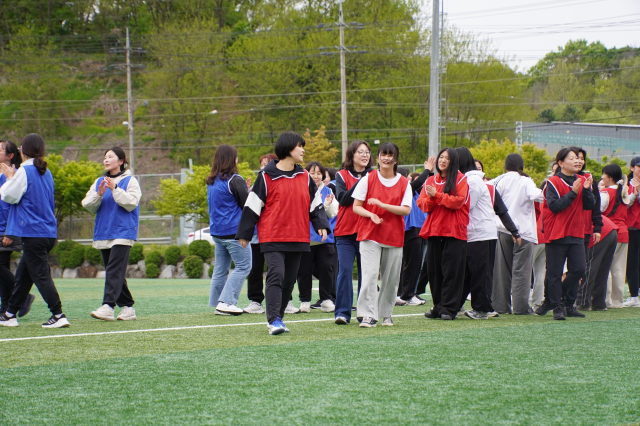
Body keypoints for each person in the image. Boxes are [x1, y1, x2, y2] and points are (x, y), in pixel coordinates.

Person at [236, 132, 330, 335]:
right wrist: (244, 232)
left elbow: (315, 204)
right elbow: (252, 206)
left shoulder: (305, 177)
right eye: (299, 146)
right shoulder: (265, 177)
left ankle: (278, 318)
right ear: (288, 148)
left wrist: (321, 224)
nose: (303, 150)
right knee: (276, 275)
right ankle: (274, 320)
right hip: (272, 237)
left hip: (298, 236)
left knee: (289, 281)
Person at [0, 133, 70, 328]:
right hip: (47, 233)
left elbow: (8, 196)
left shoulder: (24, 170)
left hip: (33, 233)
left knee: (41, 276)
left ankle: (58, 314)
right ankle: (9, 314)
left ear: (23, 150)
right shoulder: (46, 172)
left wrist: (9, 178)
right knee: (23, 276)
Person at [352, 142, 412, 327]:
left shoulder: (404, 182)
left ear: (396, 159)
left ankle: (386, 314)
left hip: (394, 236)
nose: (386, 158)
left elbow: (406, 209)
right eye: (383, 154)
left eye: (390, 155)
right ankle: (367, 315)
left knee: (390, 279)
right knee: (370, 276)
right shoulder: (367, 179)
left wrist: (382, 205)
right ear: (377, 158)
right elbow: (356, 206)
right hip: (370, 234)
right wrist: (371, 214)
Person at [457, 148, 520, 319]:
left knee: (480, 273)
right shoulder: (467, 180)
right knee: (468, 273)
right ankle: (456, 305)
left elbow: (467, 206)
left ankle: (483, 308)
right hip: (473, 234)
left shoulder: (474, 182)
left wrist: (514, 231)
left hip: (481, 234)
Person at [536, 147, 595, 320]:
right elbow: (554, 206)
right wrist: (573, 193)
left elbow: (589, 205)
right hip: (557, 233)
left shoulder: (582, 180)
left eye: (579, 158)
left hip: (576, 232)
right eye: (572, 158)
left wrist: (586, 190)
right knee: (554, 272)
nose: (578, 161)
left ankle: (558, 300)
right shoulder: (552, 182)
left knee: (579, 269)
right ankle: (557, 307)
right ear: (561, 163)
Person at [83, 147, 141, 321]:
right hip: (104, 231)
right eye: (105, 157)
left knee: (114, 270)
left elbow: (132, 203)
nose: (106, 160)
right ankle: (128, 307)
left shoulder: (130, 181)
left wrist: (115, 188)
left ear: (121, 161)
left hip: (123, 232)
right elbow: (88, 205)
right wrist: (99, 194)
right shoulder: (99, 182)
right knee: (115, 271)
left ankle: (108, 306)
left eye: (110, 157)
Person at [418, 147, 470, 320]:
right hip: (434, 231)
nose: (442, 160)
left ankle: (449, 308)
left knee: (452, 271)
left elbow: (459, 202)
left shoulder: (461, 179)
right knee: (434, 271)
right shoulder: (431, 180)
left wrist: (437, 196)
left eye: (447, 158)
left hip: (454, 231)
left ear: (453, 161)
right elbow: (422, 204)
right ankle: (438, 306)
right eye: (441, 157)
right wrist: (434, 197)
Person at [489, 153, 544, 315]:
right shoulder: (525, 180)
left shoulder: (498, 180)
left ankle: (501, 306)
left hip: (502, 229)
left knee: (501, 271)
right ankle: (521, 307)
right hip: (523, 231)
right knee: (522, 271)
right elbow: (537, 195)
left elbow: (487, 193)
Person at [206, 145, 251, 316]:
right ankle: (226, 302)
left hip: (218, 232)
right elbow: (247, 205)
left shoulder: (212, 181)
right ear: (232, 159)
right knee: (244, 266)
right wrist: (248, 192)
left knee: (220, 269)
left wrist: (245, 190)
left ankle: (217, 302)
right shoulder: (235, 179)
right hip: (234, 232)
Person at [333, 141, 375, 325]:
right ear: (352, 155)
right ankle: (342, 312)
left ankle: (364, 312)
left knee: (367, 274)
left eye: (367, 152)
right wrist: (363, 182)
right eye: (361, 152)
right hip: (345, 233)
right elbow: (343, 199)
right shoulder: (341, 175)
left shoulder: (375, 175)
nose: (365, 155)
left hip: (368, 232)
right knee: (345, 271)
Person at [295, 161, 339, 313]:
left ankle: (326, 299)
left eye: (319, 173)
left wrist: (327, 205)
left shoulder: (328, 190)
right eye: (312, 172)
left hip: (325, 238)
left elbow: (333, 213)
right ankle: (305, 301)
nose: (316, 176)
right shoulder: (300, 189)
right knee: (304, 271)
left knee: (327, 269)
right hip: (305, 237)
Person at [0, 140, 33, 317]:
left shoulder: (14, 175)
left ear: (10, 155)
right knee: (3, 267)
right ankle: (5, 307)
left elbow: (12, 206)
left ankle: (23, 297)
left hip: (6, 229)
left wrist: (9, 232)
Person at [396, 160, 434, 306]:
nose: (409, 179)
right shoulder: (402, 189)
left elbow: (429, 186)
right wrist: (427, 170)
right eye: (407, 176)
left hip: (418, 229)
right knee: (411, 264)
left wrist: (431, 173)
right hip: (411, 230)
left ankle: (404, 293)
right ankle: (407, 295)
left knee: (412, 264)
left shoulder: (413, 190)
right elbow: (418, 183)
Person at [244, 153, 278, 314]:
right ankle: (255, 301)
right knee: (255, 269)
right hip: (257, 236)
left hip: (274, 235)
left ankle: (285, 301)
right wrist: (246, 192)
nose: (264, 167)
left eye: (267, 163)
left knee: (277, 269)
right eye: (262, 164)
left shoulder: (279, 183)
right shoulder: (256, 186)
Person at [599, 164, 630, 309]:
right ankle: (617, 302)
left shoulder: (605, 193)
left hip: (609, 232)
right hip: (624, 233)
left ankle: (606, 300)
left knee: (605, 267)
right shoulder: (623, 192)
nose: (602, 178)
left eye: (604, 175)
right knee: (618, 269)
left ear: (610, 177)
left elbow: (598, 211)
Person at [577, 215, 618, 310]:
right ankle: (598, 303)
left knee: (589, 267)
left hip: (597, 232)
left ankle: (583, 302)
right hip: (610, 229)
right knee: (602, 270)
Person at [624, 157, 640, 308]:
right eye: (639, 166)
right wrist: (635, 193)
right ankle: (634, 295)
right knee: (632, 262)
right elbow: (624, 205)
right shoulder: (625, 185)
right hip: (631, 228)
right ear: (632, 168)